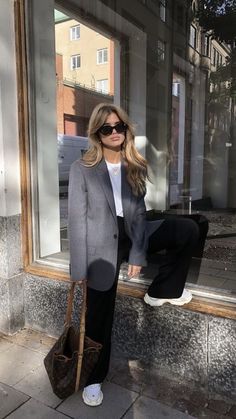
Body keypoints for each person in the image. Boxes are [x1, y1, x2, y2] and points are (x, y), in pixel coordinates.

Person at [68, 103, 199, 407]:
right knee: (99, 316)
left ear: (126, 129)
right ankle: (94, 378)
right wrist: (79, 269)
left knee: (188, 230)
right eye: (107, 128)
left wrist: (138, 254)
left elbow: (139, 213)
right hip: (101, 240)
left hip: (132, 230)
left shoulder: (133, 163)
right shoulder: (82, 168)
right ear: (97, 134)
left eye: (119, 126)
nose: (114, 132)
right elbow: (77, 220)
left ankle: (162, 289)